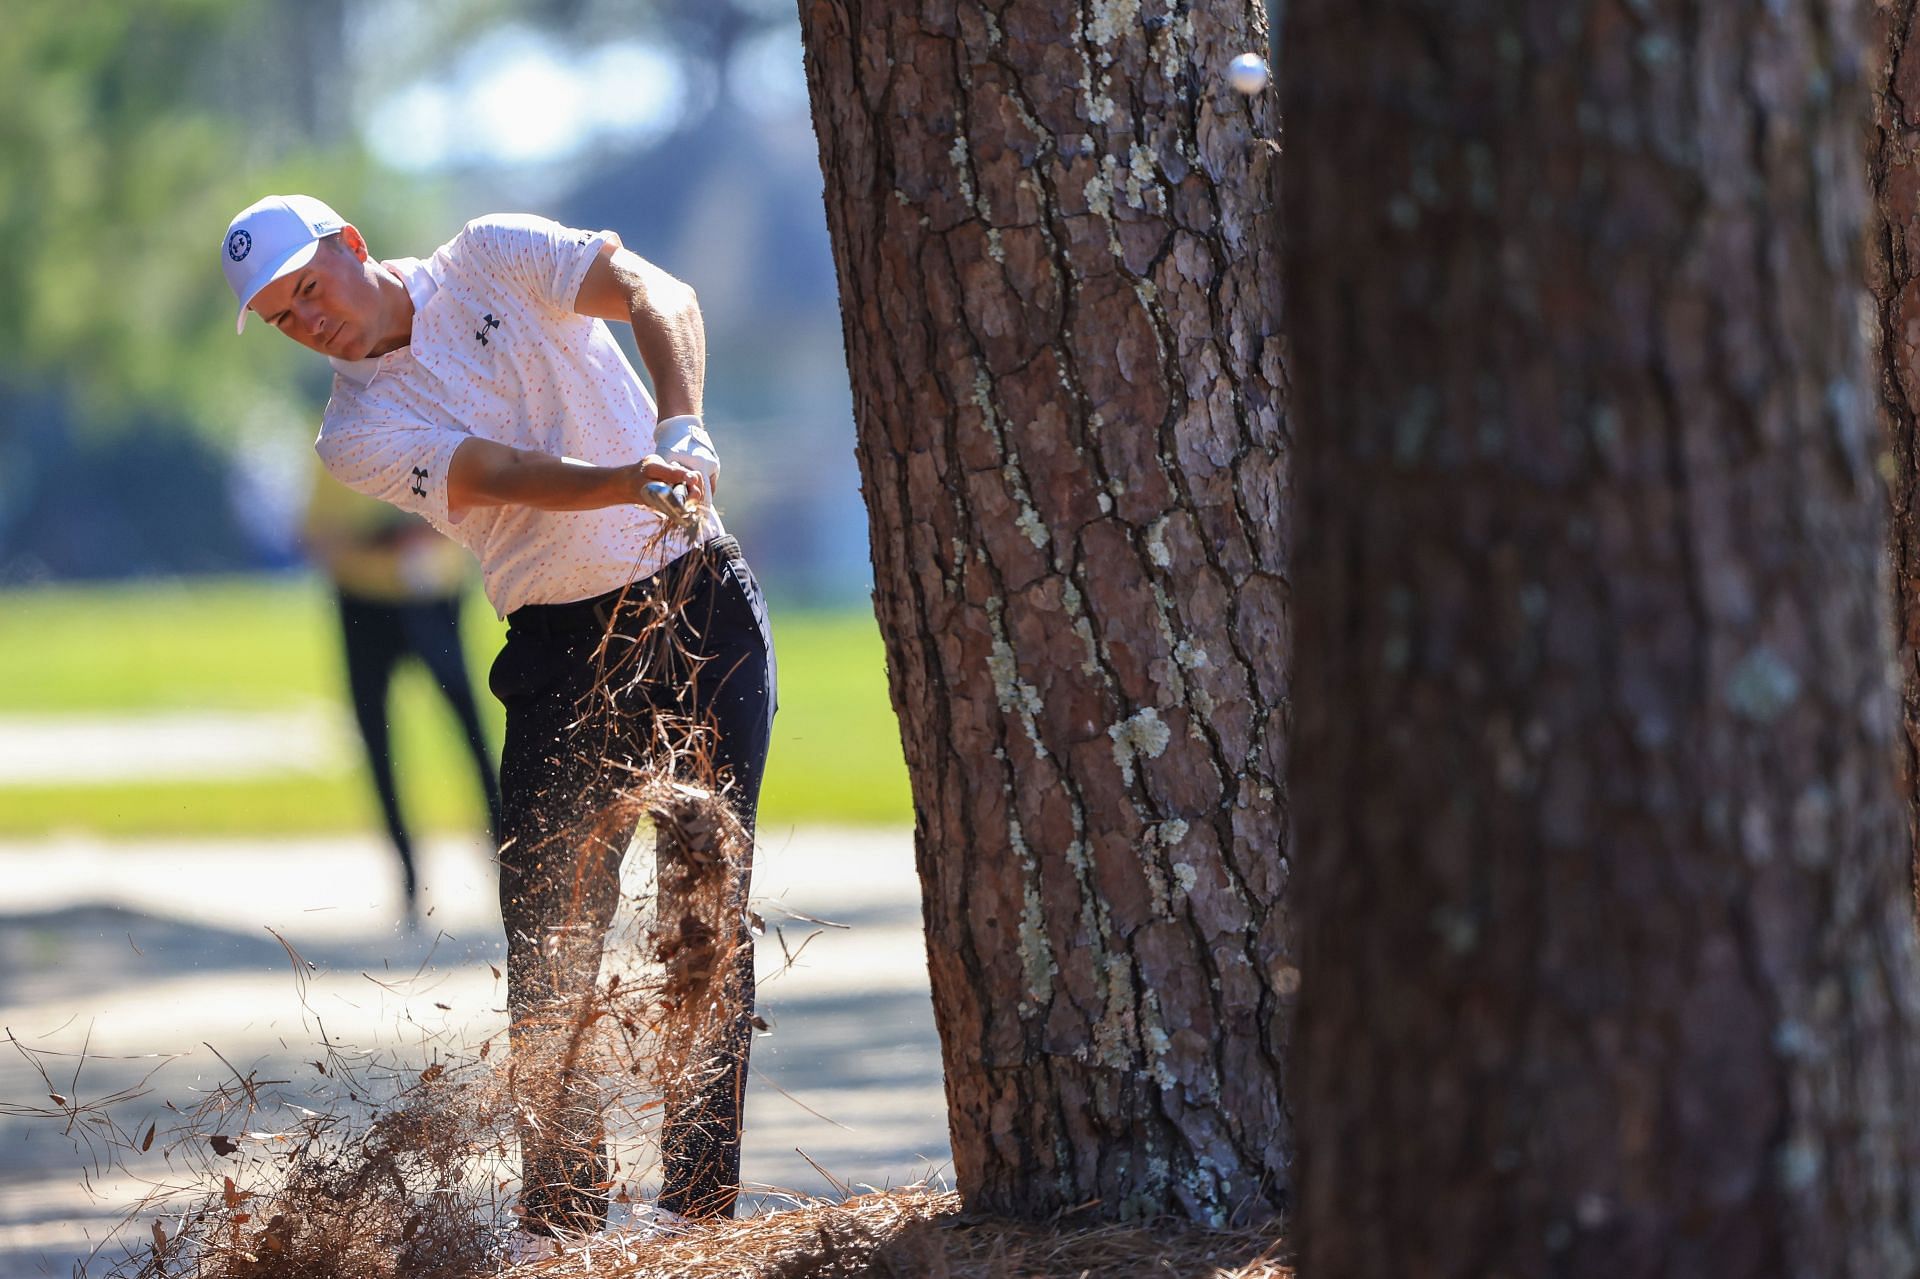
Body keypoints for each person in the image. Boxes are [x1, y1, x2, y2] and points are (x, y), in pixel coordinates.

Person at [219, 194, 776, 1245]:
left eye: (308, 288)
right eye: (286, 318)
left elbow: (663, 291)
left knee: (705, 911)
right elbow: (499, 474)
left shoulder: (492, 254)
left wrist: (680, 422)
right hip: (562, 649)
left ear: (347, 245)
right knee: (551, 931)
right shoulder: (354, 432)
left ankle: (700, 1216)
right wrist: (626, 477)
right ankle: (562, 1215)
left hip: (701, 602)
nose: (311, 320)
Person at [301, 459, 503, 918]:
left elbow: (470, 507)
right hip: (364, 601)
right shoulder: (335, 433)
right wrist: (373, 537)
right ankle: (408, 874)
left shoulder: (431, 409)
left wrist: (415, 530)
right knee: (377, 740)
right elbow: (315, 534)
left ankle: (507, 857)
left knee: (470, 731)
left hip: (432, 596)